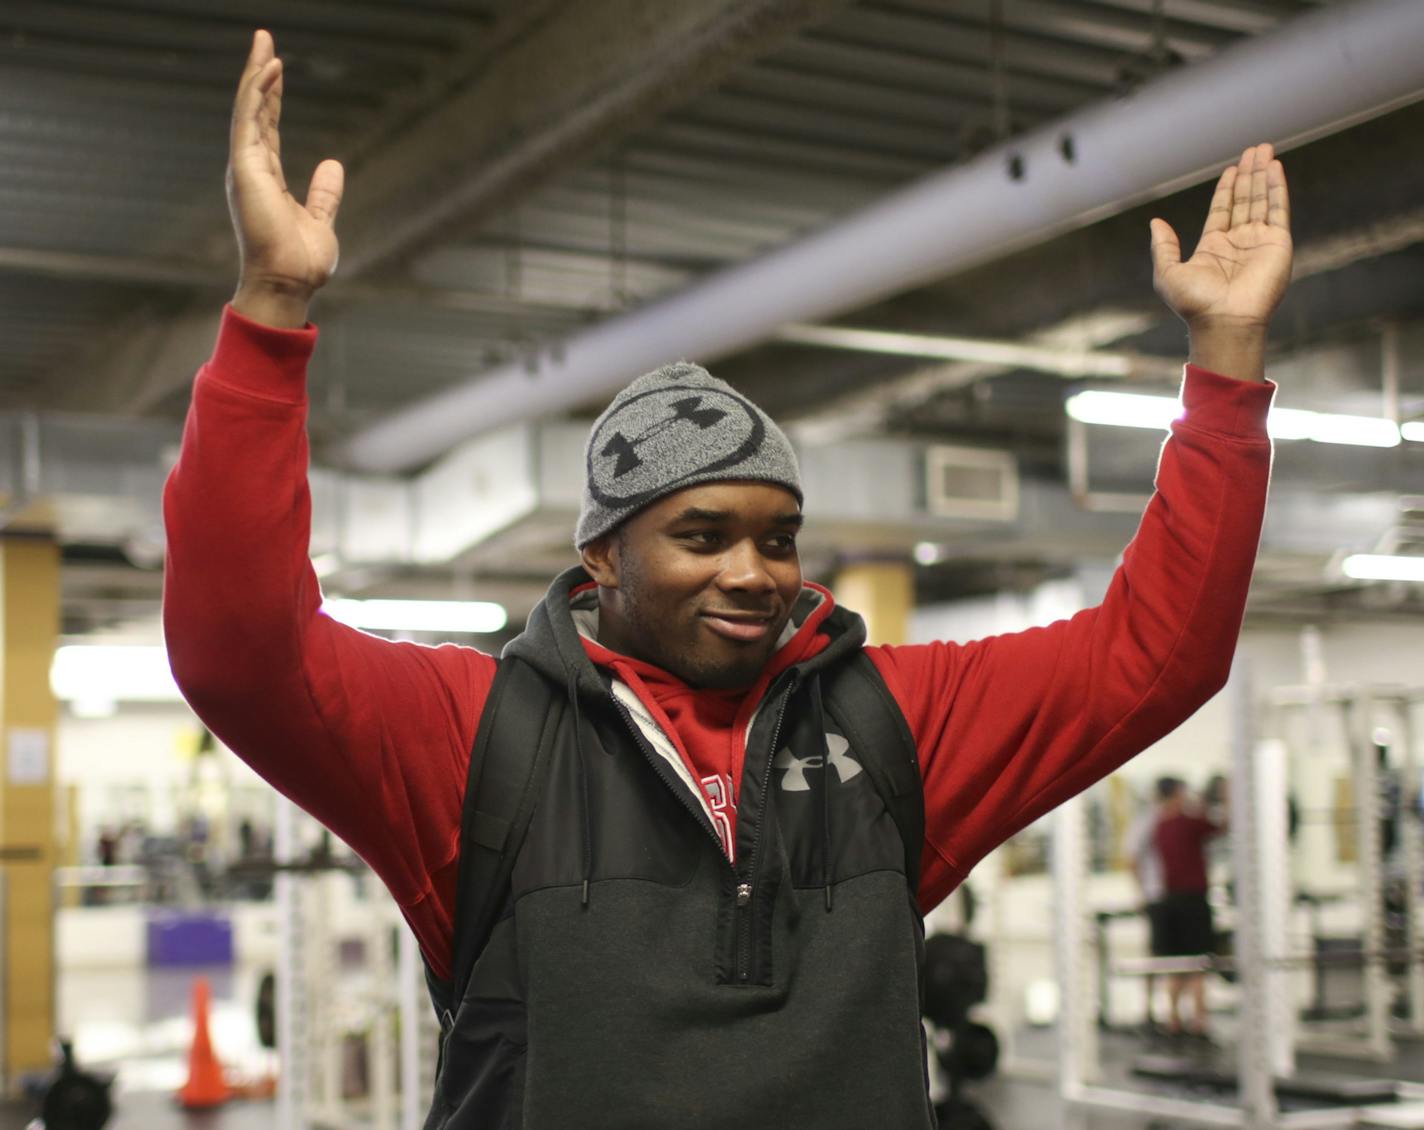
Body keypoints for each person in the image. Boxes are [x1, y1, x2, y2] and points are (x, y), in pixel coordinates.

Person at [162, 29, 1289, 1129]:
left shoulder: (890, 720)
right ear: (600, 554)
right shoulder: (479, 739)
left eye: (778, 534)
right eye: (701, 535)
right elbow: (243, 654)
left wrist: (1223, 367)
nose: (755, 572)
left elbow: (1157, 652)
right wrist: (269, 307)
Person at [1153, 777, 1229, 1040]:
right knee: (1198, 963)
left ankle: (1173, 1021)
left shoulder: (1160, 826)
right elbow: (1223, 826)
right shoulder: (1188, 822)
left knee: (1175, 964)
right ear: (1176, 795)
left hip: (1170, 900)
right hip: (1192, 900)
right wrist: (1227, 796)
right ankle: (1199, 1023)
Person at [1124, 777, 1178, 1034]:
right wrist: (1142, 893)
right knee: (1158, 955)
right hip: (1157, 895)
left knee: (1180, 958)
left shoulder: (1177, 820)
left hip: (1175, 894)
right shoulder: (1147, 821)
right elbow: (1132, 858)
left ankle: (1174, 1016)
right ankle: (1149, 1011)